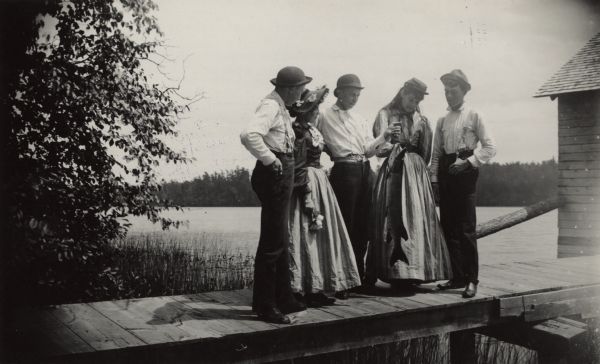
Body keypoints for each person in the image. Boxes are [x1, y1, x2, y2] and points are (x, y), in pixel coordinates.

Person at [240, 66, 311, 323]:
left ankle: (283, 298)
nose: (302, 93)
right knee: (273, 241)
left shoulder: (281, 106)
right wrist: (270, 159)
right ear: (290, 88)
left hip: (282, 172)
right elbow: (249, 135)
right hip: (275, 174)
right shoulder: (271, 105)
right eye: (300, 88)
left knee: (280, 236)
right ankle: (264, 305)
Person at [369, 78, 453, 289]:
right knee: (392, 215)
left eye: (417, 99)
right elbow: (378, 149)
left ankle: (416, 272)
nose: (413, 101)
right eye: (410, 96)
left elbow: (425, 152)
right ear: (402, 92)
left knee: (416, 217)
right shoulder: (385, 114)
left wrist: (415, 165)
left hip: (415, 173)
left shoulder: (422, 120)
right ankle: (395, 273)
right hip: (393, 169)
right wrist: (391, 146)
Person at [318, 74, 395, 294]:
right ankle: (341, 280)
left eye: (358, 94)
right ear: (339, 92)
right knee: (345, 226)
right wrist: (323, 150)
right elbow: (311, 134)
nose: (355, 97)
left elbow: (369, 150)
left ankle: (357, 276)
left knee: (364, 227)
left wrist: (385, 135)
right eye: (352, 93)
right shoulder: (323, 115)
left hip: (364, 170)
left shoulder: (359, 118)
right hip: (344, 171)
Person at [287, 86, 362, 307]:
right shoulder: (299, 131)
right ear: (306, 110)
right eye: (314, 108)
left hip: (320, 180)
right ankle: (300, 287)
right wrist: (306, 192)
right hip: (307, 183)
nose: (318, 111)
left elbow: (329, 150)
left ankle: (316, 286)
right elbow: (298, 164)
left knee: (320, 235)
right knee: (305, 233)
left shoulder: (312, 130)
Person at [431, 69, 496, 298]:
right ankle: (456, 276)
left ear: (463, 90)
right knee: (448, 227)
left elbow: (490, 147)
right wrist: (435, 180)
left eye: (453, 89)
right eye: (446, 90)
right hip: (446, 171)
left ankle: (471, 280)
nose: (448, 94)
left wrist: (468, 162)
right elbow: (436, 154)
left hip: (466, 171)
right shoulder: (441, 120)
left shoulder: (474, 114)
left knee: (466, 229)